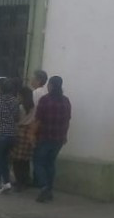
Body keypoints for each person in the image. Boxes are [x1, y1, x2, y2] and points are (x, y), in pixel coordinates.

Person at [32, 75, 71, 203]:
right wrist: (65, 135)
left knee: (38, 162)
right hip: (58, 138)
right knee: (50, 163)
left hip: (45, 136)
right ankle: (49, 189)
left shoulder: (45, 100)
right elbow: (67, 120)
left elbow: (38, 119)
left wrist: (32, 134)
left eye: (49, 84)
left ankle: (44, 186)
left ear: (51, 85)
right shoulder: (66, 101)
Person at [10, 85, 36, 191]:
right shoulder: (33, 107)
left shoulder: (20, 107)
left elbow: (15, 119)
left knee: (16, 160)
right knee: (25, 160)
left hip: (19, 132)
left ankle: (19, 182)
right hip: (29, 132)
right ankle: (25, 181)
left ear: (22, 96)